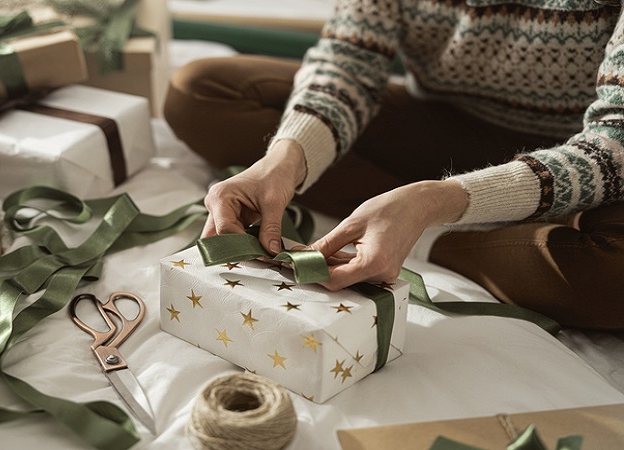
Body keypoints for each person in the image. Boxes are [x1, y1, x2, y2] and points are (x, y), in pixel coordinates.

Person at [163, 0, 624, 330]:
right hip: (434, 127)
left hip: (580, 156)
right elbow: (348, 63)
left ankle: (422, 232)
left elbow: (615, 140)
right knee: (198, 91)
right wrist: (286, 158)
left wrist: (432, 203)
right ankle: (393, 222)